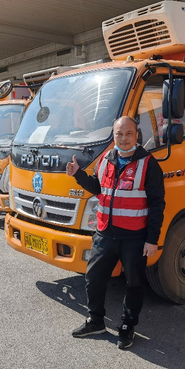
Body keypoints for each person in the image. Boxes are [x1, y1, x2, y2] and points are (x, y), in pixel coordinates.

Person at [66, 115, 165, 350]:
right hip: (104, 233)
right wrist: (78, 174)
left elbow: (157, 204)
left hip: (134, 236)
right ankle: (96, 321)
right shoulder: (106, 158)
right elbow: (97, 188)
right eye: (119, 134)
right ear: (114, 135)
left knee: (134, 283)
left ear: (137, 135)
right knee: (93, 279)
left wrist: (152, 239)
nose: (124, 138)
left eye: (128, 133)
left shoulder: (148, 164)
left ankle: (127, 327)